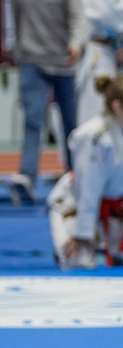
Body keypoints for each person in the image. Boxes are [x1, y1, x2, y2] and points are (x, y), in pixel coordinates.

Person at [10, 0, 87, 204]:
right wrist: (19, 51)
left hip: (63, 62)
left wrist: (76, 44)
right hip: (32, 60)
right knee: (33, 120)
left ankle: (76, 178)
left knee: (70, 125)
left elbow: (78, 18)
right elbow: (16, 20)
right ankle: (26, 177)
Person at [48, 75, 123, 268]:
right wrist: (82, 233)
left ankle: (107, 245)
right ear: (117, 107)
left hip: (115, 208)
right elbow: (88, 189)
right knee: (79, 262)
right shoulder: (94, 137)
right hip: (76, 205)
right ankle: (82, 239)